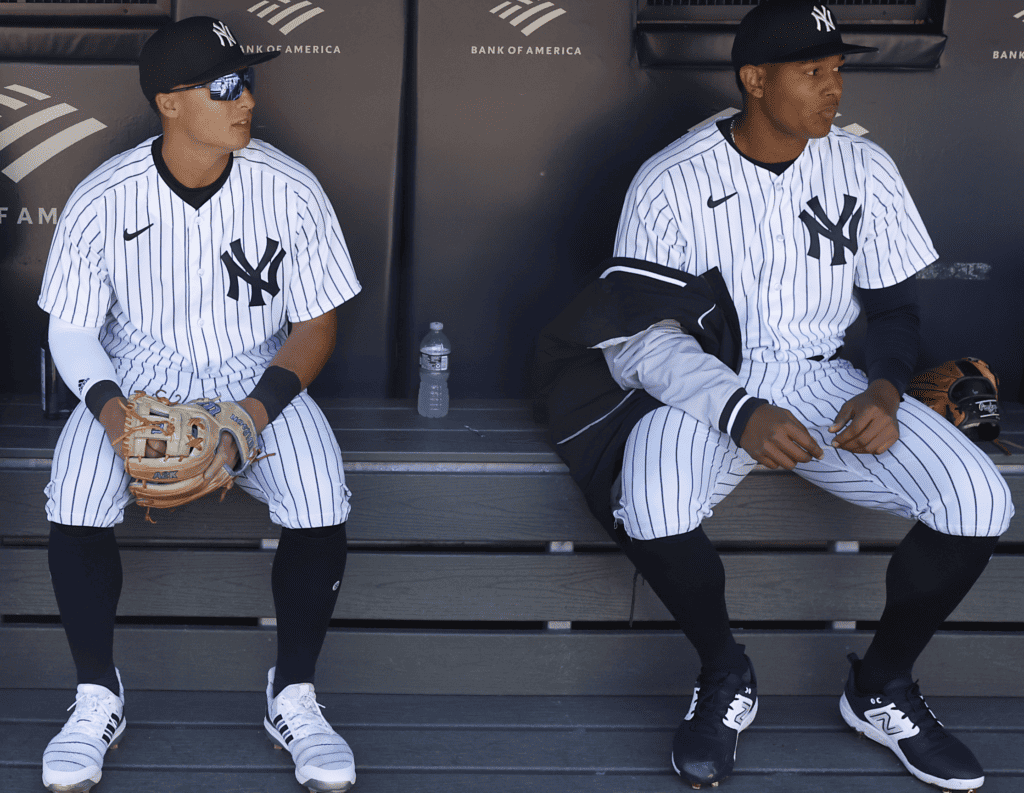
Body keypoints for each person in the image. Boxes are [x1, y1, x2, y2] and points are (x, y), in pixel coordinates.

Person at [539, 1, 1011, 789]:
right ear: (754, 79)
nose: (834, 89)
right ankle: (725, 671)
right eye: (812, 72)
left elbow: (894, 309)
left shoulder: (863, 165)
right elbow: (639, 336)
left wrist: (888, 391)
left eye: (837, 71)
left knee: (979, 500)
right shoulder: (672, 178)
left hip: (827, 378)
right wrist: (739, 412)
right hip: (706, 383)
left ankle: (880, 686)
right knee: (651, 501)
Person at [36, 16, 360, 793]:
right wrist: (118, 417)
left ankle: (295, 695)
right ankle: (95, 694)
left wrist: (251, 415)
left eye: (246, 81)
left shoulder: (289, 188)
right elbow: (74, 331)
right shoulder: (101, 198)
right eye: (223, 86)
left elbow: (316, 324)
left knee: (320, 494)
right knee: (76, 492)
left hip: (255, 371)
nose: (244, 97)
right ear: (169, 103)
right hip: (133, 373)